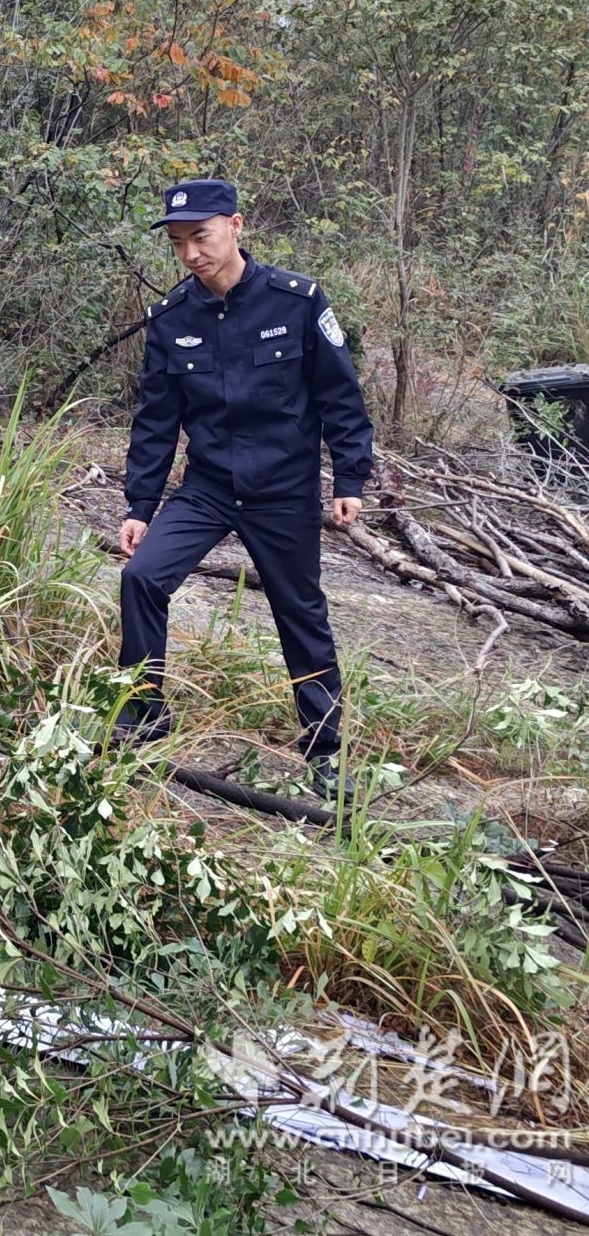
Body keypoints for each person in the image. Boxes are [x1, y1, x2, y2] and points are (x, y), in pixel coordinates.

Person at [114, 178, 374, 798]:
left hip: (282, 491)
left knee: (299, 613)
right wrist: (140, 505)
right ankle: (143, 717)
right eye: (178, 243)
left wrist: (350, 476)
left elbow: (340, 397)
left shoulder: (298, 301)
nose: (190, 255)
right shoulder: (173, 317)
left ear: (236, 225)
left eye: (200, 237)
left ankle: (324, 754)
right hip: (207, 486)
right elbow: (156, 420)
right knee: (141, 577)